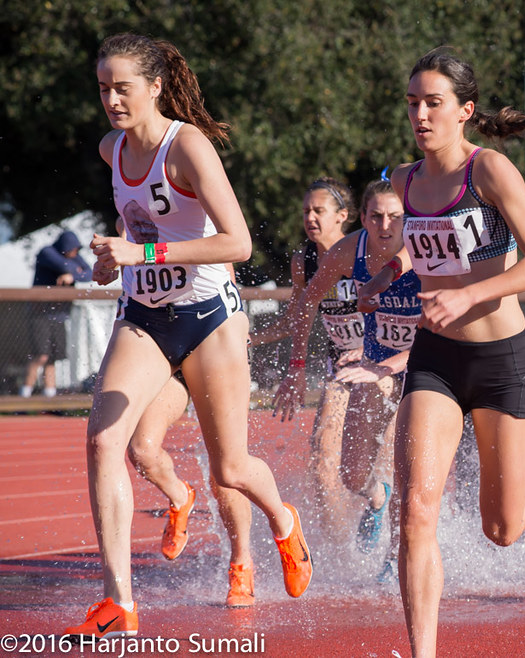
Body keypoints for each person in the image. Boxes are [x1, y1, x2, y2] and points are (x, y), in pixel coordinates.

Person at [64, 33, 310, 640]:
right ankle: (117, 601)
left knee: (229, 469)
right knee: (104, 442)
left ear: (154, 87)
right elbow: (136, 219)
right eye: (103, 89)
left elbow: (237, 244)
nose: (113, 100)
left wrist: (141, 249)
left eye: (124, 87)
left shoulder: (188, 147)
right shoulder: (110, 149)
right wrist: (112, 259)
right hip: (145, 315)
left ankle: (282, 520)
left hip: (210, 320)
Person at [352, 48, 525, 657]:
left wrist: (470, 295)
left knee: (502, 530)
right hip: (436, 362)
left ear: (464, 111)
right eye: (412, 104)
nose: (420, 115)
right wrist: (387, 275)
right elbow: (425, 244)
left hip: (504, 363)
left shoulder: (490, 172)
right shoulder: (403, 180)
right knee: (416, 512)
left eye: (433, 103)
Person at [275, 180, 418, 577]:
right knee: (340, 468)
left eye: (395, 217)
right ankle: (364, 515)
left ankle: (395, 559)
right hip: (356, 367)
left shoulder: (420, 251)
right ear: (364, 219)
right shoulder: (335, 254)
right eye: (377, 216)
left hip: (409, 366)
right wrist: (297, 366)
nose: (386, 225)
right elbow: (304, 303)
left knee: (402, 458)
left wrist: (380, 358)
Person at [249, 177, 361, 539]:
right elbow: (298, 317)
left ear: (342, 216)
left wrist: (371, 349)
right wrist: (250, 340)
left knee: (376, 468)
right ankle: (342, 553)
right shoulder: (305, 259)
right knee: (322, 461)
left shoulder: (368, 250)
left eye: (319, 211)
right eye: (305, 212)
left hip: (388, 364)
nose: (310, 218)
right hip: (341, 368)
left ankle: (386, 540)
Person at [127, 371, 256, 606]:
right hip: (175, 361)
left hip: (220, 359)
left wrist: (296, 364)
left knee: (225, 473)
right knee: (142, 451)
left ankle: (242, 563)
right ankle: (180, 496)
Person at [21, 230, 92, 397]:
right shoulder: (47, 252)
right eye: (73, 249)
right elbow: (65, 266)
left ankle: (50, 397)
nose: (76, 253)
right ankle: (23, 395)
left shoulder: (73, 256)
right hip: (40, 314)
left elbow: (89, 273)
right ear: (65, 247)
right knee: (41, 355)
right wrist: (75, 271)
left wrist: (72, 275)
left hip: (59, 315)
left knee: (53, 357)